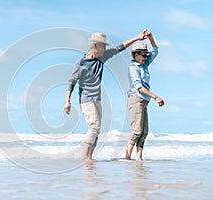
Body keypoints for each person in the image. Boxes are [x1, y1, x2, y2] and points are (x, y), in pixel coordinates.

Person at [65, 30, 148, 162]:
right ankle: (84, 156)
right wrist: (67, 101)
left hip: (97, 99)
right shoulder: (81, 63)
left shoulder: (102, 57)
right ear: (94, 46)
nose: (105, 48)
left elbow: (120, 47)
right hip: (86, 100)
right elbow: (71, 81)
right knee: (94, 126)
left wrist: (137, 38)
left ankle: (89, 158)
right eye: (103, 46)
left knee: (97, 130)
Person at [125, 30, 164, 161]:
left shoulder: (145, 64)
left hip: (144, 101)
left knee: (144, 131)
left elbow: (155, 50)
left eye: (146, 55)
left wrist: (151, 37)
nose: (146, 57)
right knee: (136, 131)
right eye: (143, 55)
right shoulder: (133, 68)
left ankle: (139, 158)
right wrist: (155, 96)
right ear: (135, 55)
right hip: (136, 99)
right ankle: (127, 157)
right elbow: (139, 87)